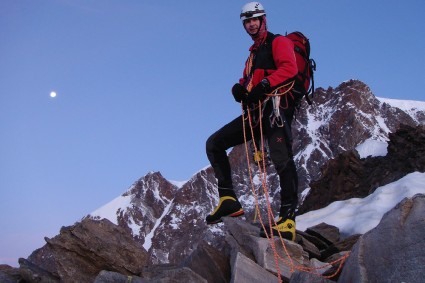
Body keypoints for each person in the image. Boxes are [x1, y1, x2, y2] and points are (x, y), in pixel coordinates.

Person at [205, 2, 300, 241]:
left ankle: (287, 219)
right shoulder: (253, 55)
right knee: (214, 143)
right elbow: (249, 80)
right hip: (256, 113)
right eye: (247, 21)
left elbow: (290, 69)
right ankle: (228, 200)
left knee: (282, 158)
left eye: (255, 19)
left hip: (276, 109)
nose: (251, 24)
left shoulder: (279, 42)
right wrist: (240, 88)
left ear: (263, 19)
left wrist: (266, 85)